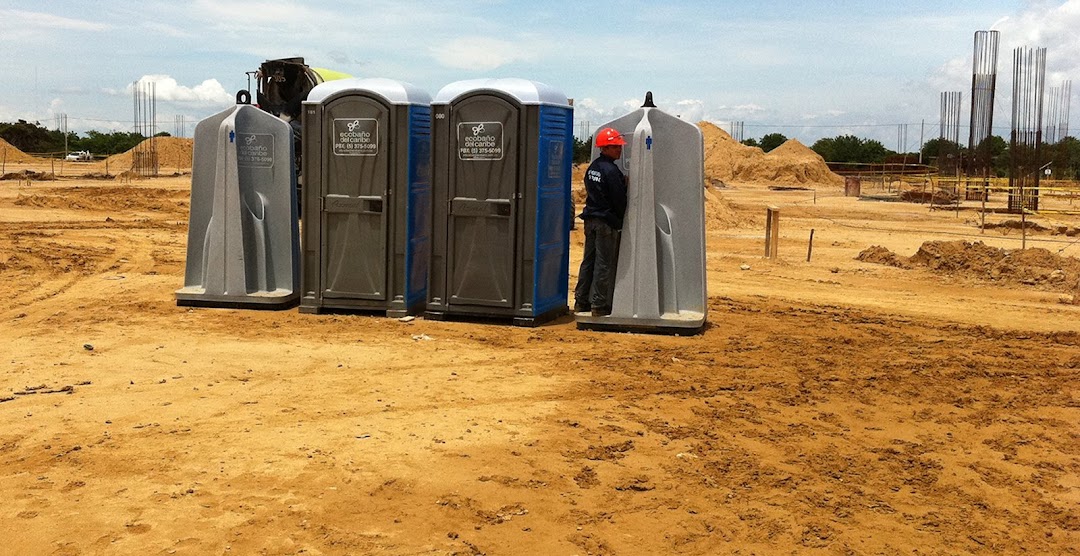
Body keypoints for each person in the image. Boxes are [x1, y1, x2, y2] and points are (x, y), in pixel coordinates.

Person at [574, 127, 628, 317]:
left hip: (591, 220)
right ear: (604, 148)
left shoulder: (593, 168)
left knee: (588, 261)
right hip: (605, 222)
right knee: (604, 263)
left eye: (619, 147)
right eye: (615, 147)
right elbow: (619, 199)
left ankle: (581, 301)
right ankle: (599, 305)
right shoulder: (611, 171)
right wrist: (620, 220)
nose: (619, 150)